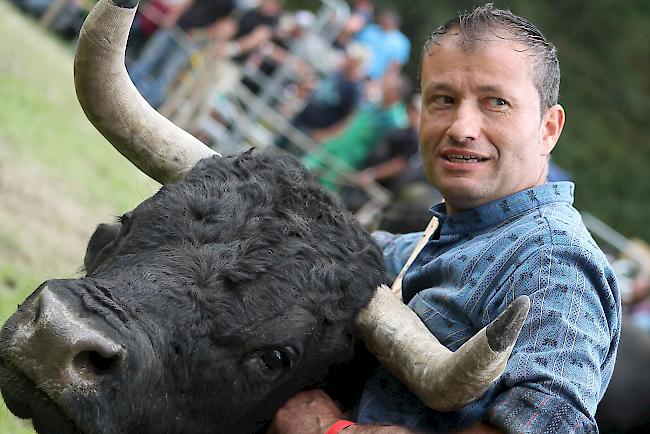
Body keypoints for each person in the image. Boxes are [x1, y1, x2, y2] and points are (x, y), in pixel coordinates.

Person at [269, 4, 621, 433]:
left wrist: (331, 431)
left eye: (496, 102)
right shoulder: (436, 239)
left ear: (549, 128)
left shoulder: (551, 262)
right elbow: (354, 250)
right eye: (443, 100)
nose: (461, 127)